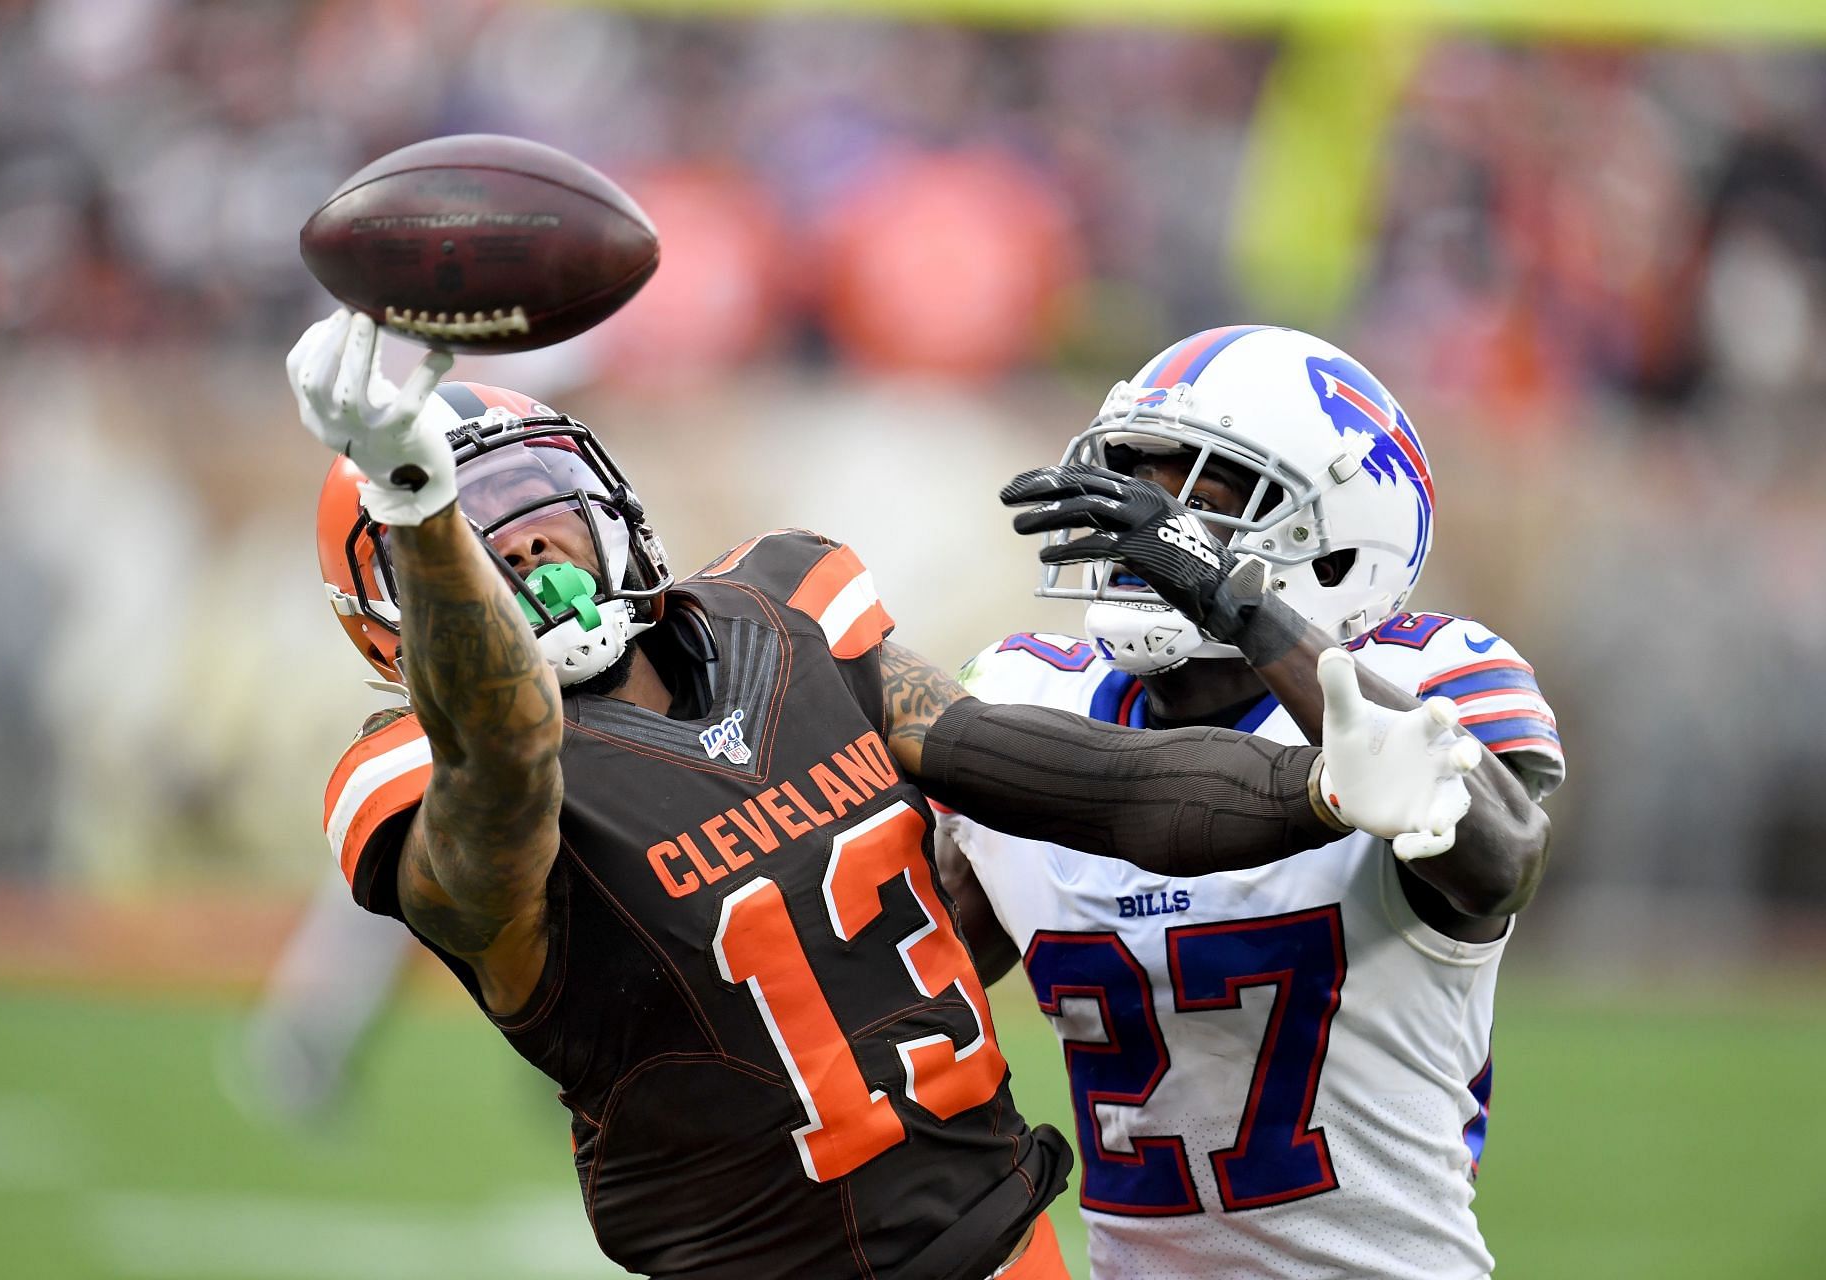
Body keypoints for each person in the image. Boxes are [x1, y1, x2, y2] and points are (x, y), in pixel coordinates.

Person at [289, 309, 1479, 1280]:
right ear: (396, 616)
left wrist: (1320, 789)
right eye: (475, 550)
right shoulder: (413, 784)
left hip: (1009, 1252)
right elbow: (502, 757)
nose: (528, 561)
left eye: (540, 517)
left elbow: (1067, 778)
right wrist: (416, 502)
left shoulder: (786, 611)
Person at [935, 324, 1563, 1280]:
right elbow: (913, 982)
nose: (1146, 523)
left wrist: (1234, 598)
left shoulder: (1421, 677)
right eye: (1134, 478)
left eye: (1198, 494)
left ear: (1342, 543)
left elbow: (1501, 858)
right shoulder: (1029, 695)